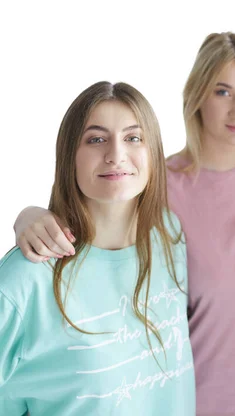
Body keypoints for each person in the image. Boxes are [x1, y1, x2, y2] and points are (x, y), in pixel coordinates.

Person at [11, 33, 235, 416]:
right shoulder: (156, 185)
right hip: (203, 402)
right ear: (197, 95)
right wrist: (29, 215)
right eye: (222, 92)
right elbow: (92, 215)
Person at [0, 81, 195, 415]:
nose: (116, 155)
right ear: (69, 156)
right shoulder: (27, 276)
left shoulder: (170, 237)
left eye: (133, 138)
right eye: (96, 139)